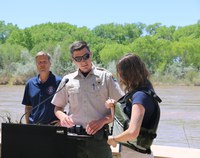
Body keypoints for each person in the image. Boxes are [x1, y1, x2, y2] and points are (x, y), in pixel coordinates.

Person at [51, 40, 124, 158]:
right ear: (73, 60)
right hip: (73, 138)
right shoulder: (67, 80)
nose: (83, 61)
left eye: (86, 56)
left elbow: (122, 108)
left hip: (99, 140)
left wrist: (103, 120)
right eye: (78, 58)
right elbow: (58, 108)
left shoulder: (106, 77)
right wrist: (62, 116)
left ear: (91, 54)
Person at [105, 53, 161, 158]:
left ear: (126, 74)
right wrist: (113, 106)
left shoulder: (140, 97)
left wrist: (114, 139)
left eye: (120, 73)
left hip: (135, 154)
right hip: (136, 153)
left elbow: (133, 132)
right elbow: (125, 120)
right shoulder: (145, 93)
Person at [22, 51, 62, 124]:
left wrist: (61, 121)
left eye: (44, 62)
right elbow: (28, 107)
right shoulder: (30, 84)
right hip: (33, 127)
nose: (42, 65)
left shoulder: (59, 82)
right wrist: (27, 125)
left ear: (50, 63)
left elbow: (70, 104)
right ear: (36, 64)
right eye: (39, 62)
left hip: (53, 127)